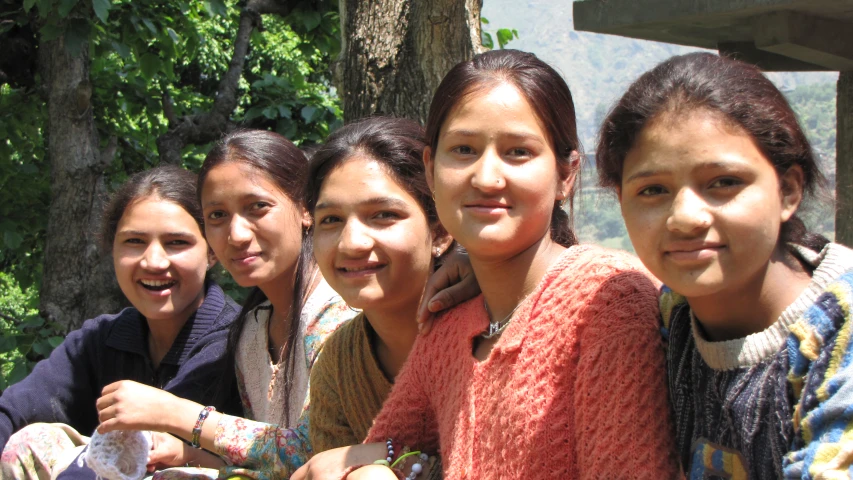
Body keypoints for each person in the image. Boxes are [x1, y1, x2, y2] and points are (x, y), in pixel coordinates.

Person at [294, 49, 679, 480]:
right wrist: (373, 460)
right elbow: (397, 444)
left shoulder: (605, 300)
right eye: (463, 149)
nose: (486, 178)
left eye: (517, 152)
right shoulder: (451, 324)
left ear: (566, 175)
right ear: (431, 168)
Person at [596, 52, 853, 479]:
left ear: (788, 190)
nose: (686, 217)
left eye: (724, 182)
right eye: (653, 189)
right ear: (621, 202)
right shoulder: (671, 314)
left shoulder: (837, 333)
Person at [93, 130, 357, 479]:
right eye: (217, 215)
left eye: (257, 207)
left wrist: (178, 414)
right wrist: (187, 454)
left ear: (306, 207)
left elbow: (313, 453)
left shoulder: (338, 312)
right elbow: (263, 462)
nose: (236, 235)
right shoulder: (251, 331)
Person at [0, 166, 241, 479]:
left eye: (177, 243)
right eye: (135, 241)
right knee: (30, 442)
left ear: (212, 252)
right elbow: (12, 412)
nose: (153, 262)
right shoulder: (99, 340)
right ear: (111, 248)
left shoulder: (241, 344)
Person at [304, 117, 453, 455]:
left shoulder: (485, 338)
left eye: (383, 215)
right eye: (331, 220)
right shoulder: (338, 366)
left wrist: (368, 457)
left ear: (441, 232)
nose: (351, 243)